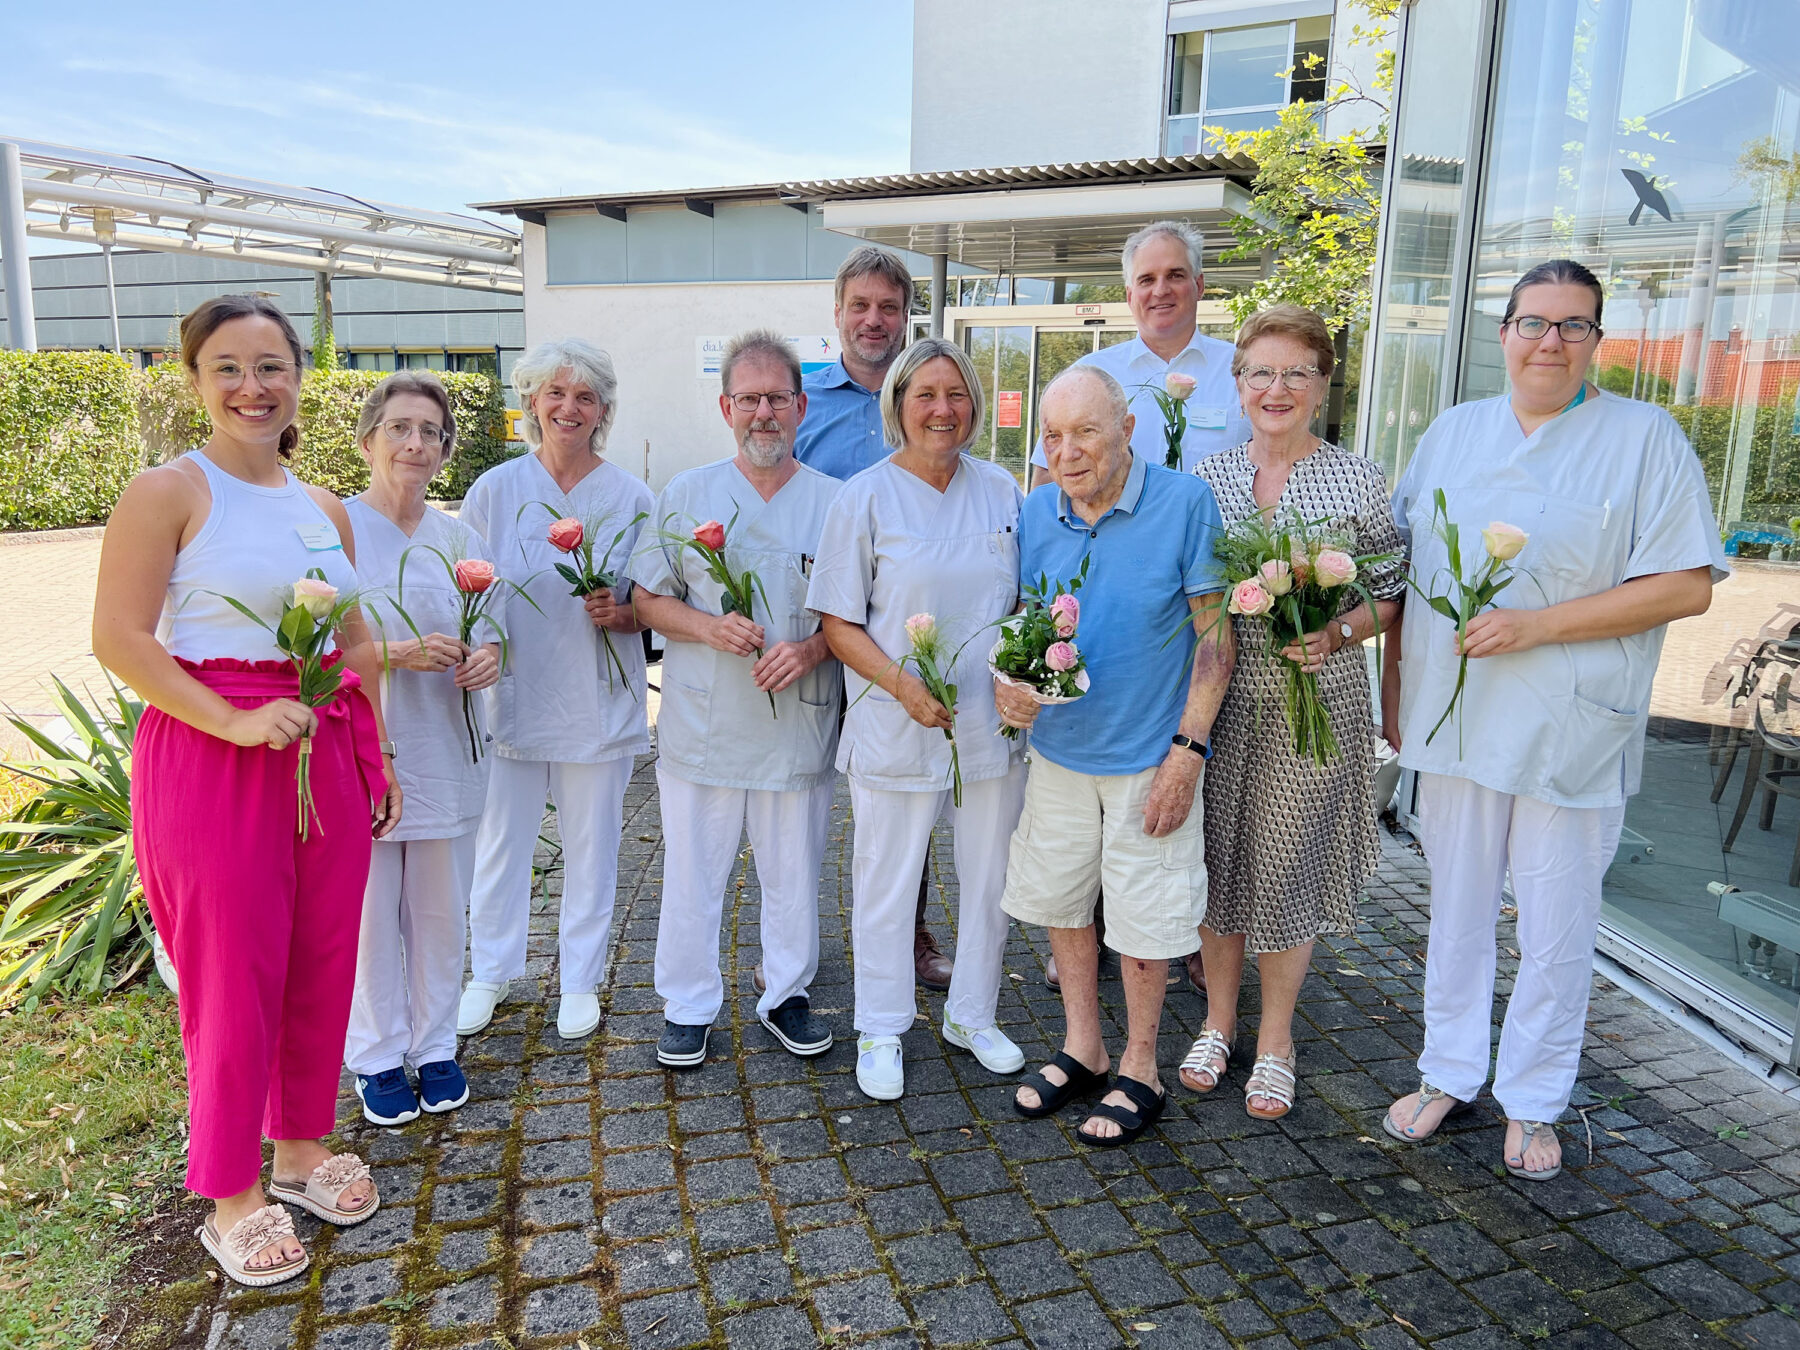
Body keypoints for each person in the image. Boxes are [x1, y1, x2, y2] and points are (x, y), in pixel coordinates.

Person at [1382, 259, 1724, 1181]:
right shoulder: (1454, 433)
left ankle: (1534, 1100)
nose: (1551, 342)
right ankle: (1448, 1069)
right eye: (1535, 322)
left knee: (1556, 923)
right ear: (1504, 334)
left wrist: (1539, 626)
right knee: (1453, 913)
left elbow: (1687, 585)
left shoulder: (1645, 438)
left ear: (1598, 342)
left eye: (1574, 326)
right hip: (1456, 723)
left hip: (1571, 725)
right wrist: (1390, 697)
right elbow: (1403, 577)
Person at [93, 295, 395, 1286]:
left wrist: (375, 756)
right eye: (228, 367)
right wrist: (231, 720)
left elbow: (353, 642)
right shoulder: (168, 490)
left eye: (270, 366)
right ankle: (232, 1195)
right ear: (195, 380)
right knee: (231, 978)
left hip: (323, 750)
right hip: (214, 751)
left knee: (319, 962)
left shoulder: (326, 508)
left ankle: (302, 1150)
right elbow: (123, 639)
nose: (252, 387)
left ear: (300, 375)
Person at [1000, 366, 1232, 1146]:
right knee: (1063, 906)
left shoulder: (1184, 504)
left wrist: (1187, 752)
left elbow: (1215, 638)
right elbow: (1029, 626)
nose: (1066, 452)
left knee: (1144, 919)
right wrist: (1013, 691)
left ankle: (1141, 1067)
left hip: (1149, 754)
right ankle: (1083, 1048)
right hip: (1061, 751)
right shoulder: (1035, 511)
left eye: (1086, 432)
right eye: (1053, 436)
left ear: (1127, 429)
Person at [1183, 305, 1405, 1118]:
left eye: (1295, 373)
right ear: (1237, 384)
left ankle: (1275, 1037)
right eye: (1260, 373)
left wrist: (1338, 630)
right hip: (1226, 700)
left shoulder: (1358, 478)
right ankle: (1215, 1024)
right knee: (1216, 862)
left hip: (1320, 703)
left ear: (1322, 384)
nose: (1276, 389)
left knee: (1285, 865)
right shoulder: (1206, 481)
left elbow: (1391, 595)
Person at [1028, 219, 1248, 993]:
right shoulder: (1093, 371)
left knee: (1173, 800)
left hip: (1203, 599)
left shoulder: (1236, 371)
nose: (1160, 291)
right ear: (1127, 293)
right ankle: (1096, 945)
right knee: (1094, 810)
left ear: (1198, 283)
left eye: (1174, 275)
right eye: (1145, 280)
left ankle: (1166, 938)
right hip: (1115, 613)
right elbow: (1050, 493)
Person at [808, 337, 1028, 1101]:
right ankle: (881, 1025)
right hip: (897, 718)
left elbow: (1025, 605)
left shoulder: (1002, 491)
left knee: (990, 877)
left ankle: (973, 1013)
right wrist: (901, 685)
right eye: (925, 394)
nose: (943, 409)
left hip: (988, 725)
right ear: (897, 404)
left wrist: (1025, 678)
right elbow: (838, 621)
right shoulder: (863, 496)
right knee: (887, 880)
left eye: (956, 393)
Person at [630, 330, 842, 1068]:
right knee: (694, 872)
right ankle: (688, 1005)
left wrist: (812, 648)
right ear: (726, 407)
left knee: (794, 873)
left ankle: (786, 994)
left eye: (777, 398)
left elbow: (856, 618)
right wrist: (708, 626)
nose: (764, 413)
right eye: (749, 399)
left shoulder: (836, 504)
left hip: (797, 724)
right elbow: (645, 599)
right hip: (705, 721)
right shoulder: (686, 495)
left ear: (801, 407)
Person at [456, 339, 653, 1042]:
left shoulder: (631, 496)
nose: (570, 407)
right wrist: (476, 650)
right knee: (501, 843)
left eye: (586, 396)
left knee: (592, 845)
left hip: (595, 699)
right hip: (511, 696)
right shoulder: (495, 490)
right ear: (532, 402)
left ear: (603, 410)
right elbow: (467, 592)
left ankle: (579, 979)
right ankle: (492, 971)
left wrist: (623, 611)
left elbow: (651, 601)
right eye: (556, 394)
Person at [794, 244, 953, 994]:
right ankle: (793, 939)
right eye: (860, 305)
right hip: (814, 636)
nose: (874, 320)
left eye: (889, 307)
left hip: (893, 648)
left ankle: (911, 936)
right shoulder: (803, 404)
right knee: (798, 792)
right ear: (837, 314)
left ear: (906, 316)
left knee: (906, 794)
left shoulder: (929, 397)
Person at [343, 372, 500, 1124]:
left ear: (444, 450)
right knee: (371, 913)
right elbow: (305, 646)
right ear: (369, 438)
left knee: (440, 911)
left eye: (430, 432)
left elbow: (493, 630)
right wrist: (393, 654)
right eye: (400, 427)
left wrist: (487, 659)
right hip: (364, 751)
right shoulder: (334, 529)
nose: (415, 443)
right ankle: (375, 1054)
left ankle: (435, 1046)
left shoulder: (462, 540)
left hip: (446, 747)